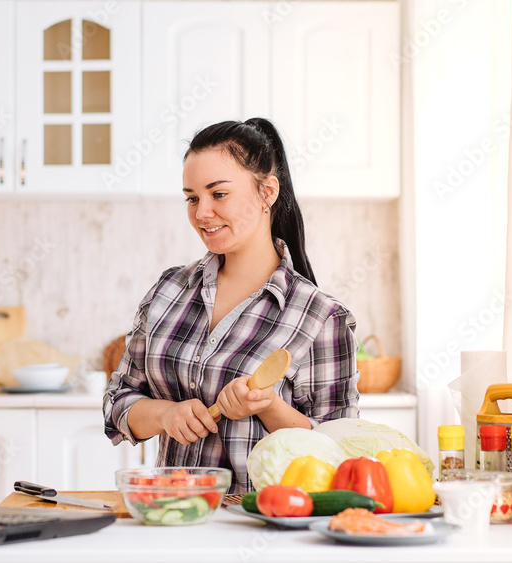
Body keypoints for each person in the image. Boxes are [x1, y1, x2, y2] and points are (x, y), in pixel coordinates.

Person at [103, 118, 359, 492]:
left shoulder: (320, 316)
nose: (202, 212)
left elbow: (338, 450)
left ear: (267, 192)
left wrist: (268, 406)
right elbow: (118, 401)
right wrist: (166, 414)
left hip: (263, 528)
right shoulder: (169, 291)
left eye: (218, 194)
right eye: (192, 197)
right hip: (175, 516)